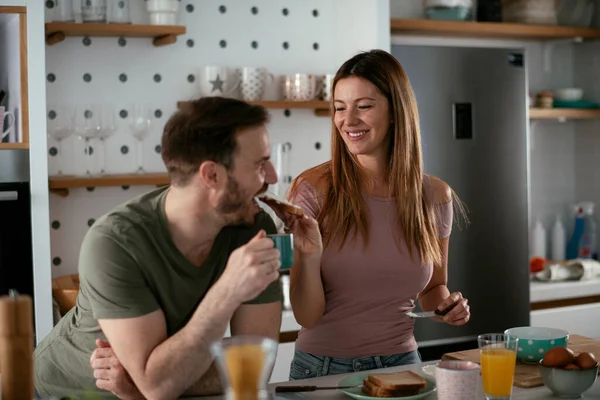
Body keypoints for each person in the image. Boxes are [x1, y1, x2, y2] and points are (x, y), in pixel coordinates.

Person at [34, 97, 318, 399]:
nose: (272, 177)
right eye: (260, 164)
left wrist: (148, 382)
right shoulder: (114, 243)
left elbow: (253, 366)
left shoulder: (251, 225)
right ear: (212, 175)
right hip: (64, 393)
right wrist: (227, 291)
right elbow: (158, 385)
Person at [284, 49, 471, 380]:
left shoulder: (435, 196)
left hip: (403, 366)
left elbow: (434, 288)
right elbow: (306, 316)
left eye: (364, 106)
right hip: (324, 371)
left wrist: (447, 308)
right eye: (340, 108)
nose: (348, 120)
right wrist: (308, 254)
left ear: (396, 111)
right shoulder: (312, 190)